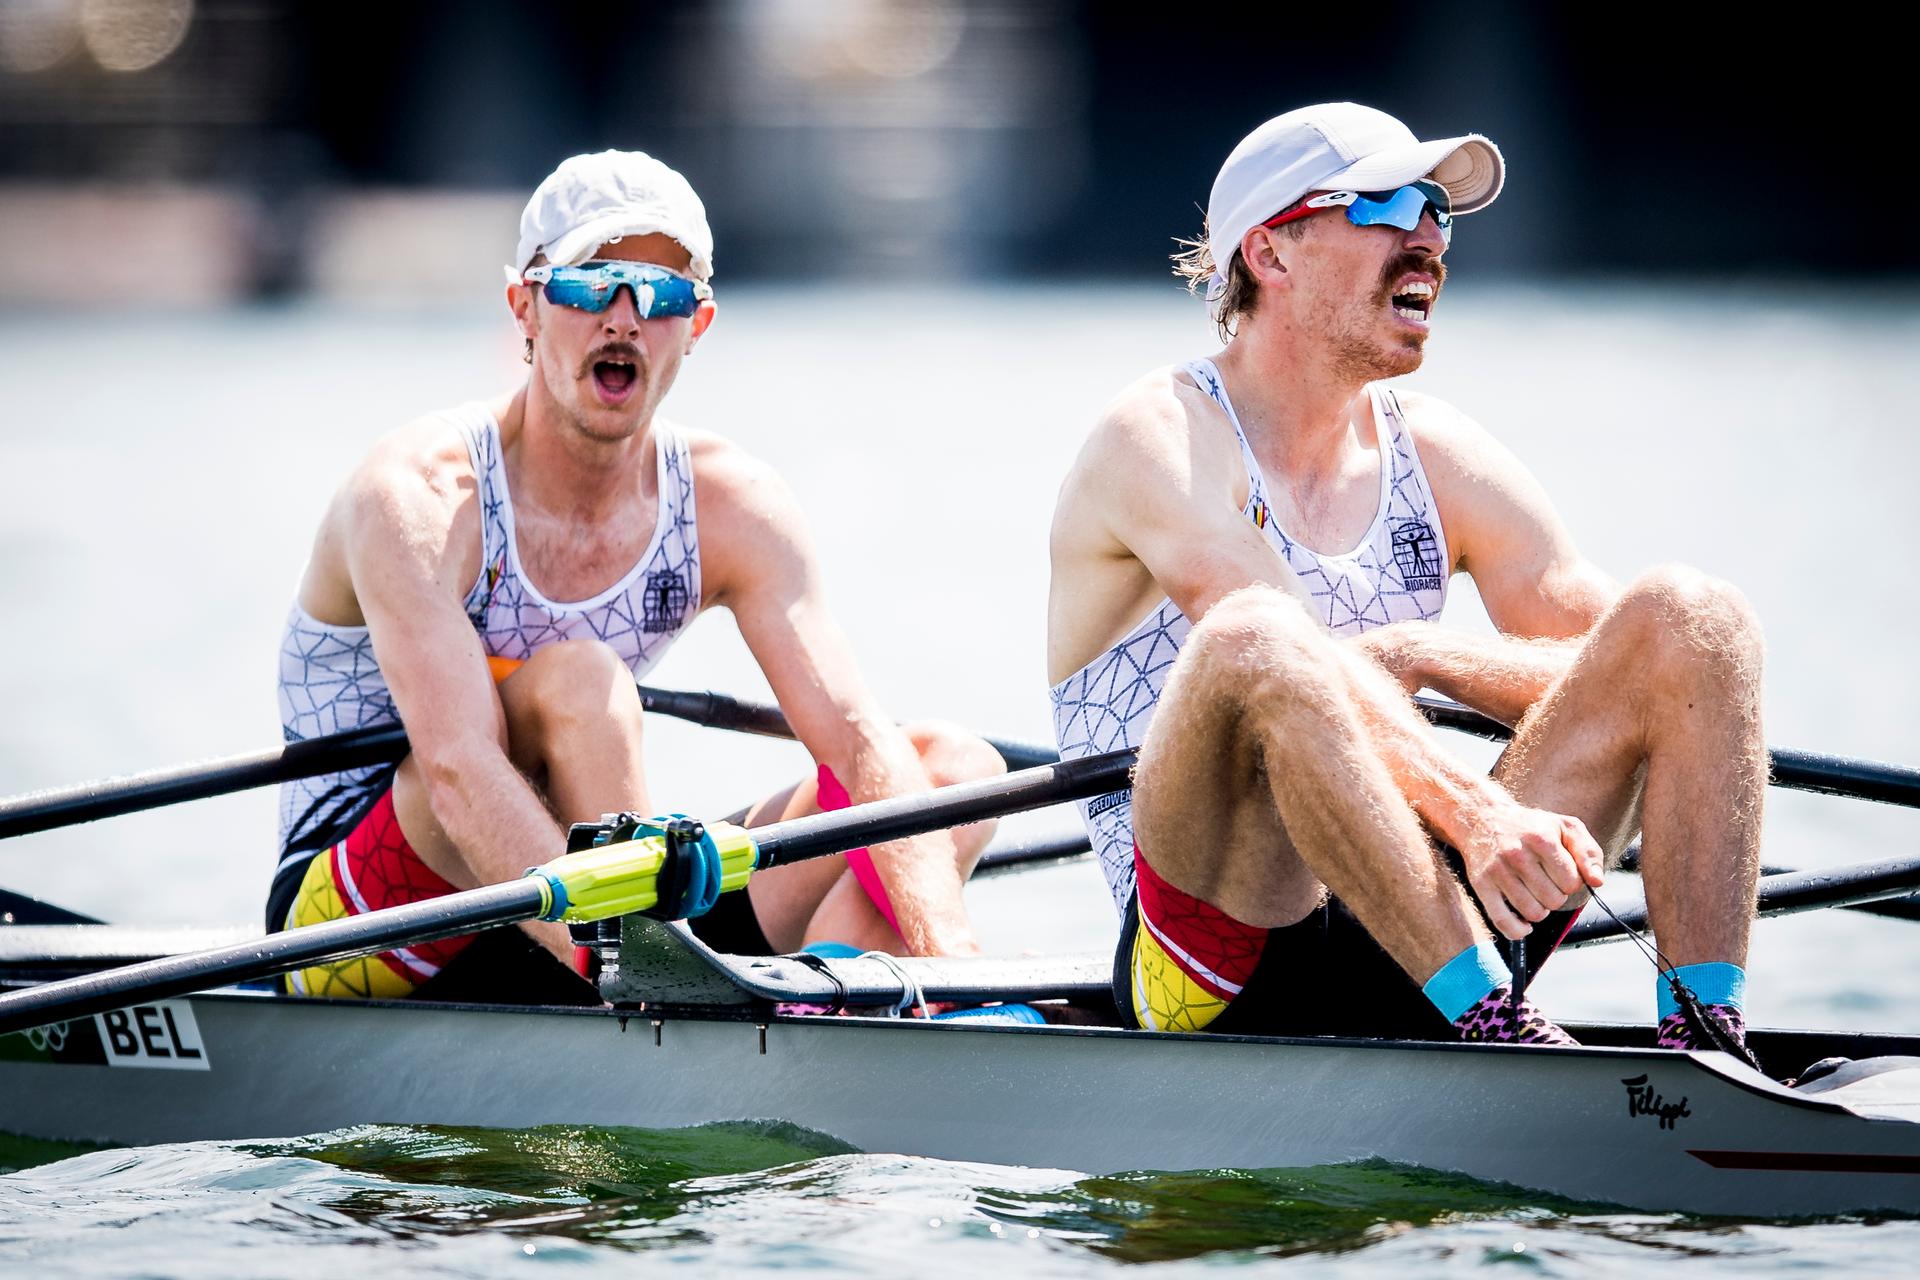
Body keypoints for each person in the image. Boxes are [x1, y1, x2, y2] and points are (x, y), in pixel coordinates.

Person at [1047, 103, 1764, 1048]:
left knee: (1694, 618)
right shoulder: (1160, 436)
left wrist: (1425, 653)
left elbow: (1642, 685)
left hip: (1422, 913)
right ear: (1270, 253)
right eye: (1387, 204)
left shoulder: (1437, 452)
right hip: (1220, 951)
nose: (1428, 236)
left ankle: (1705, 1037)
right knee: (1256, 637)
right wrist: (1473, 811)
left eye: (1438, 209)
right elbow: (1277, 647)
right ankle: (1495, 1030)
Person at [269, 149, 1003, 1003]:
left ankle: (843, 1014)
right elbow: (459, 770)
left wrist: (958, 962)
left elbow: (855, 743)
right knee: (583, 684)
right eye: (590, 286)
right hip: (368, 920)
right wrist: (636, 969)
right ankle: (651, 985)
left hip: (587, 903)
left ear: (698, 326)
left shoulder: (733, 504)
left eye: (661, 296)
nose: (624, 318)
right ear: (526, 308)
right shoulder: (419, 497)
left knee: (948, 772)